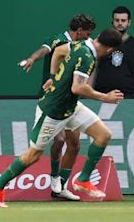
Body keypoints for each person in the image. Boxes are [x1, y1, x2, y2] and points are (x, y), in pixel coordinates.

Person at [0, 29, 124, 208]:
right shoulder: (88, 57)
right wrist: (105, 97)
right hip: (52, 111)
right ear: (109, 50)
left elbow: (58, 51)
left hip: (71, 108)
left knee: (103, 135)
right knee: (32, 156)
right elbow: (78, 88)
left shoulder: (79, 44)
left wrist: (53, 77)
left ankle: (83, 180)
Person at [18, 14, 96, 201]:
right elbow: (43, 51)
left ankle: (60, 186)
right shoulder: (58, 40)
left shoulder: (85, 46)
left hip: (71, 100)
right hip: (52, 97)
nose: (89, 36)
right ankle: (54, 177)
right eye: (87, 33)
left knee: (75, 145)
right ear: (79, 31)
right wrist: (31, 59)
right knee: (59, 139)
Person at [94, 6, 134, 97]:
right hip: (102, 96)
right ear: (112, 22)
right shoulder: (101, 42)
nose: (120, 23)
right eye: (117, 20)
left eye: (123, 21)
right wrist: (90, 94)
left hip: (128, 98)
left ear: (129, 22)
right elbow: (93, 69)